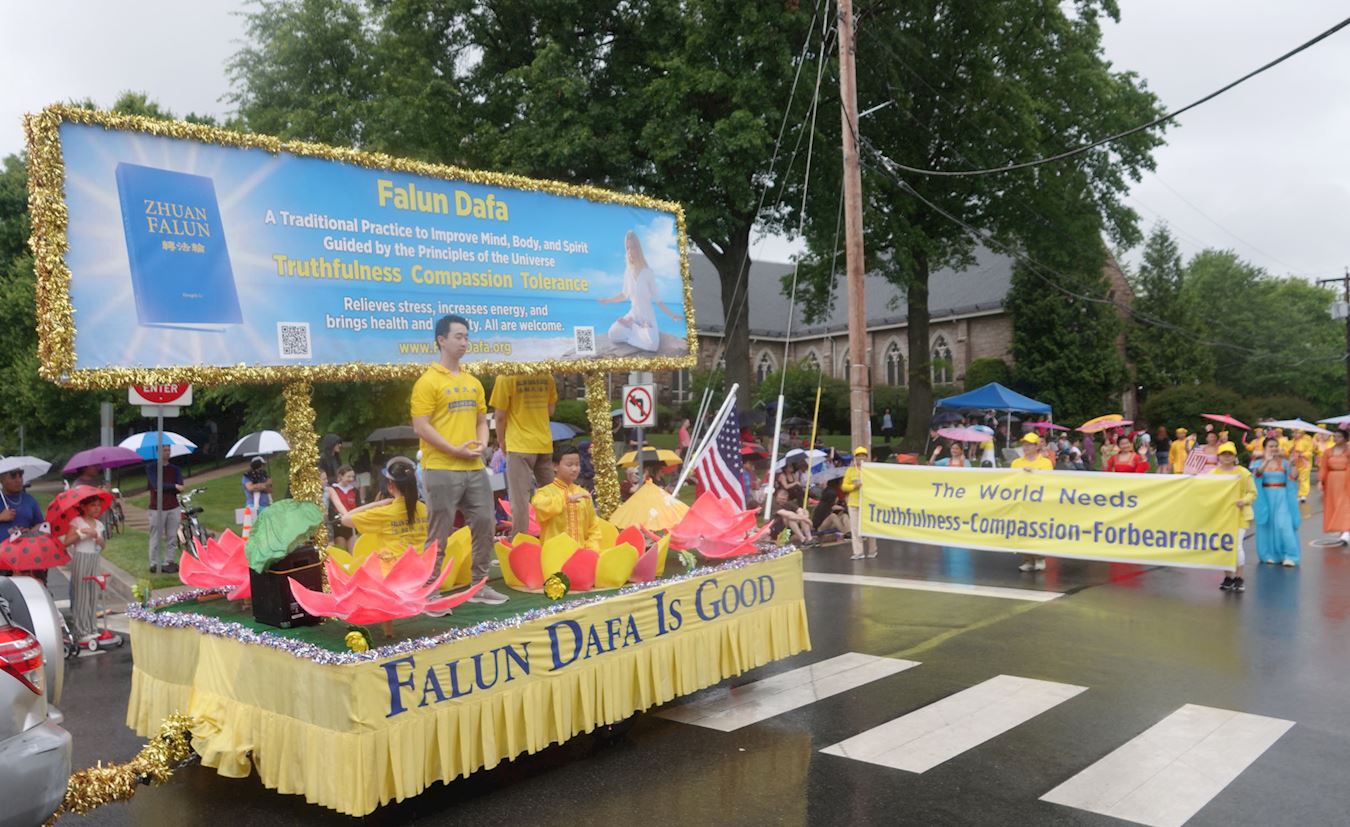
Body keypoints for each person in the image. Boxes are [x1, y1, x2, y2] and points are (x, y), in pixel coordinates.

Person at [412, 314, 507, 604]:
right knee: (439, 530)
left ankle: (479, 586)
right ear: (441, 340)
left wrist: (482, 443)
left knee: (485, 523)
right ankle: (431, 591)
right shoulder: (427, 382)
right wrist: (454, 449)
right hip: (440, 467)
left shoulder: (473, 382)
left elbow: (481, 420)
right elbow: (421, 426)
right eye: (458, 336)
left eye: (466, 337)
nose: (464, 342)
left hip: (474, 466)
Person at [490, 373, 558, 537]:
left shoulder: (505, 377)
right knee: (552, 496)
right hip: (543, 442)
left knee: (520, 499)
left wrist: (501, 441)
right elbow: (550, 410)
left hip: (519, 443)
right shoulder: (547, 376)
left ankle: (521, 540)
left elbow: (500, 416)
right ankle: (555, 535)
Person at [598, 229, 683, 352]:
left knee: (652, 345)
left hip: (647, 318)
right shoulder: (628, 272)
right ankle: (635, 328)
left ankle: (637, 329)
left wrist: (672, 315)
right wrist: (608, 300)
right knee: (612, 333)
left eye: (632, 247)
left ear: (638, 249)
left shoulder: (648, 273)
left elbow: (658, 300)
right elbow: (624, 294)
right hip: (633, 316)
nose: (630, 251)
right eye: (627, 248)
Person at [339, 457, 428, 558]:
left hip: (394, 566)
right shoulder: (425, 509)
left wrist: (377, 504)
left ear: (390, 486)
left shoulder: (384, 512)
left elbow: (345, 519)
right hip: (424, 565)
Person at [531, 444, 602, 547]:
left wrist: (591, 549)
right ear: (555, 466)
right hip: (555, 553)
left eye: (577, 464)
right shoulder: (544, 492)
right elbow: (539, 506)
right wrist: (567, 499)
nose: (574, 469)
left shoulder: (583, 494)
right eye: (569, 465)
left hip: (580, 552)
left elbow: (593, 527)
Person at [61, 495, 107, 645]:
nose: (96, 508)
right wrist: (82, 533)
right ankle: (81, 631)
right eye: (93, 505)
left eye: (98, 505)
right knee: (81, 594)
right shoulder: (77, 522)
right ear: (83, 507)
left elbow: (103, 545)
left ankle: (92, 627)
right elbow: (67, 542)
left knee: (93, 593)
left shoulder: (99, 524)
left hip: (94, 558)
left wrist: (99, 539)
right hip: (81, 557)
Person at [1210, 442, 1254, 593]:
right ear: (1219, 456)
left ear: (1235, 456)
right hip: (1222, 515)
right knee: (1225, 546)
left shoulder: (1243, 473)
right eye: (1224, 454)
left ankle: (1239, 578)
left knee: (1237, 547)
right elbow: (1204, 489)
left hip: (1240, 514)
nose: (1227, 457)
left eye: (1230, 454)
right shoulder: (1213, 474)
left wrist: (1244, 501)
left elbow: (1252, 492)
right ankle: (1228, 577)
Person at [1251, 437, 1301, 567]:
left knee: (1284, 525)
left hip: (1282, 497)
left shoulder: (1284, 463)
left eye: (1275, 446)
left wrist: (1293, 464)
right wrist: (1267, 461)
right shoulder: (1258, 463)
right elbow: (1257, 475)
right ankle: (1267, 555)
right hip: (1265, 497)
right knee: (1266, 524)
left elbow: (1294, 477)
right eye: (1271, 446)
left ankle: (1290, 555)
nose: (1274, 448)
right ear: (1265, 448)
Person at [1011, 433, 1053, 572]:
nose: (1026, 447)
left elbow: (1048, 480)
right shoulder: (1016, 463)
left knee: (1037, 529)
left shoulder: (1045, 462)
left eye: (1029, 445)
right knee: (1022, 530)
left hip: (1038, 503)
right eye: (1024, 444)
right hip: (1022, 502)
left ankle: (1040, 557)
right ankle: (1028, 559)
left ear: (1036, 446)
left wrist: (1034, 473)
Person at [0, 465, 46, 582]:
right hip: (2, 558)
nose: (18, 480)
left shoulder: (29, 500)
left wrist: (30, 532)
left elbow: (40, 524)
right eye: (13, 476)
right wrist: (1, 517)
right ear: (1, 480)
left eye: (20, 476)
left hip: (26, 555)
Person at [145, 445, 183, 574]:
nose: (167, 453)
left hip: (173, 506)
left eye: (168, 450)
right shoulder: (151, 468)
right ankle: (154, 563)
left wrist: (170, 487)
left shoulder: (175, 469)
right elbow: (156, 485)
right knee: (156, 536)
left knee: (172, 536)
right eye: (164, 450)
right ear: (158, 452)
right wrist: (173, 486)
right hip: (157, 507)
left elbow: (181, 486)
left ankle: (169, 561)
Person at [841, 446, 877, 560]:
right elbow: (844, 486)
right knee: (855, 528)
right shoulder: (850, 470)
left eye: (863, 456)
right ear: (855, 457)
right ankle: (858, 551)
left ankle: (872, 550)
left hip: (867, 503)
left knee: (869, 528)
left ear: (866, 457)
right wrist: (854, 486)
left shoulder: (870, 470)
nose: (861, 458)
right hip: (853, 503)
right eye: (858, 456)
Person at [1319, 426, 1350, 545]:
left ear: (1345, 438)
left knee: (1345, 504)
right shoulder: (1328, 452)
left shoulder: (1348, 451)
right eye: (1335, 436)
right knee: (1335, 504)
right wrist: (1321, 481)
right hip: (1332, 480)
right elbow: (1323, 467)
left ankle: (1346, 531)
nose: (1336, 438)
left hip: (1346, 479)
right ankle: (1342, 529)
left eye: (1339, 436)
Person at [327, 465, 361, 551]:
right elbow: (331, 507)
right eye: (348, 476)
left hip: (351, 525)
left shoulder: (355, 491)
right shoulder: (333, 490)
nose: (351, 479)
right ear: (341, 476)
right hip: (339, 526)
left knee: (354, 552)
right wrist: (337, 516)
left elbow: (359, 506)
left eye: (353, 476)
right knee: (342, 551)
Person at [1290, 429, 1314, 504]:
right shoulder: (1292, 441)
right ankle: (1297, 494)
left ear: (1302, 433)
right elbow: (1287, 451)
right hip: (1295, 463)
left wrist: (1302, 454)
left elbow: (1310, 452)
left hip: (1304, 463)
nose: (1295, 434)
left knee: (1304, 479)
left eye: (1297, 433)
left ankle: (1303, 495)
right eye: (1294, 432)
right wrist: (1291, 449)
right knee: (1294, 478)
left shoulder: (1307, 441)